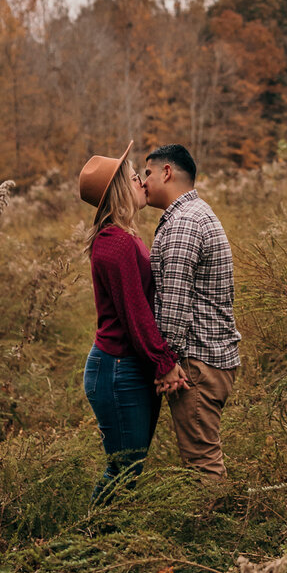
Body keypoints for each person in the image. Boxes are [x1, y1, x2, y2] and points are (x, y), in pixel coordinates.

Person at [78, 141, 188, 503]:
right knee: (124, 468)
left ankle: (107, 539)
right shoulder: (116, 243)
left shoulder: (125, 236)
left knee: (130, 467)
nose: (142, 181)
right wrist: (165, 363)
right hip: (117, 369)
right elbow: (136, 314)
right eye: (134, 177)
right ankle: (90, 543)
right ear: (119, 190)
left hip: (127, 367)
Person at [142, 144, 241, 478]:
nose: (143, 183)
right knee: (202, 457)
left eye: (147, 173)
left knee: (203, 464)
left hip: (198, 364)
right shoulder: (196, 213)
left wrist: (165, 363)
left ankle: (217, 529)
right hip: (210, 358)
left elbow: (174, 305)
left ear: (166, 172)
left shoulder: (184, 223)